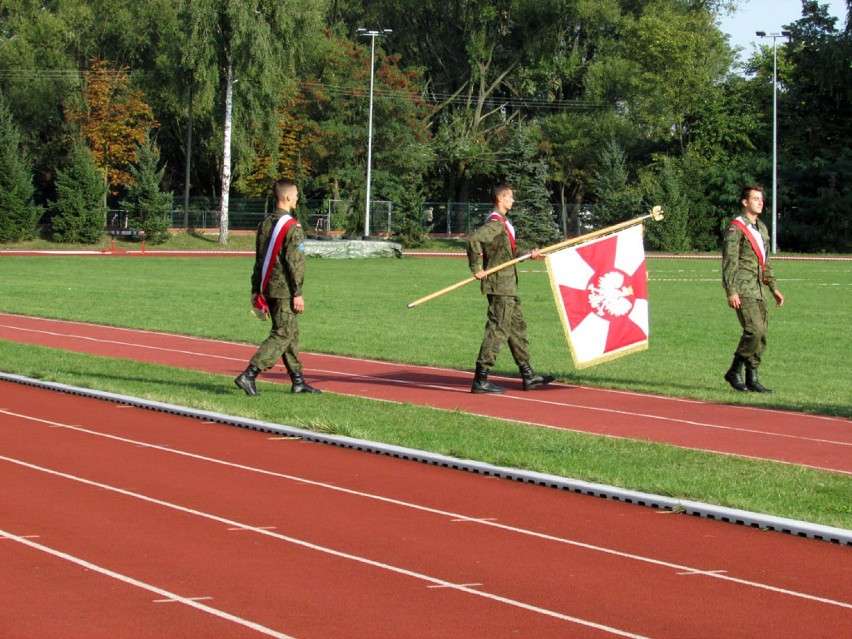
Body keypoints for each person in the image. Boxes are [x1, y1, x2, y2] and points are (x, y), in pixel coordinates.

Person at [235, 178, 321, 396]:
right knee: (282, 333)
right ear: (287, 197)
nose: (297, 198)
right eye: (296, 195)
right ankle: (250, 374)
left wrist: (256, 289)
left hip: (267, 287)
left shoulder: (264, 223)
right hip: (284, 291)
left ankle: (298, 380)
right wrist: (298, 293)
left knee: (291, 333)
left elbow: (258, 259)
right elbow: (295, 263)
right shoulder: (292, 227)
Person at [466, 183, 554, 394]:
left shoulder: (504, 223)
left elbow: (509, 253)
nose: (513, 200)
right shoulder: (496, 223)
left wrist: (528, 253)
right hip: (499, 287)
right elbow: (473, 241)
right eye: (510, 197)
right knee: (497, 330)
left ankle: (528, 374)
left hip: (509, 286)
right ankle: (481, 378)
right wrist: (475, 268)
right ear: (500, 199)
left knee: (517, 330)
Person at [721, 184, 784, 393]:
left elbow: (766, 262)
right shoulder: (736, 228)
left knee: (762, 335)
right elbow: (730, 261)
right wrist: (731, 290)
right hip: (743, 288)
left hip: (759, 289)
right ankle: (734, 370)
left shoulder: (762, 229)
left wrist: (773, 287)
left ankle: (752, 377)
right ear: (745, 202)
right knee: (754, 330)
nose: (760, 202)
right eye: (756, 199)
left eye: (761, 199)